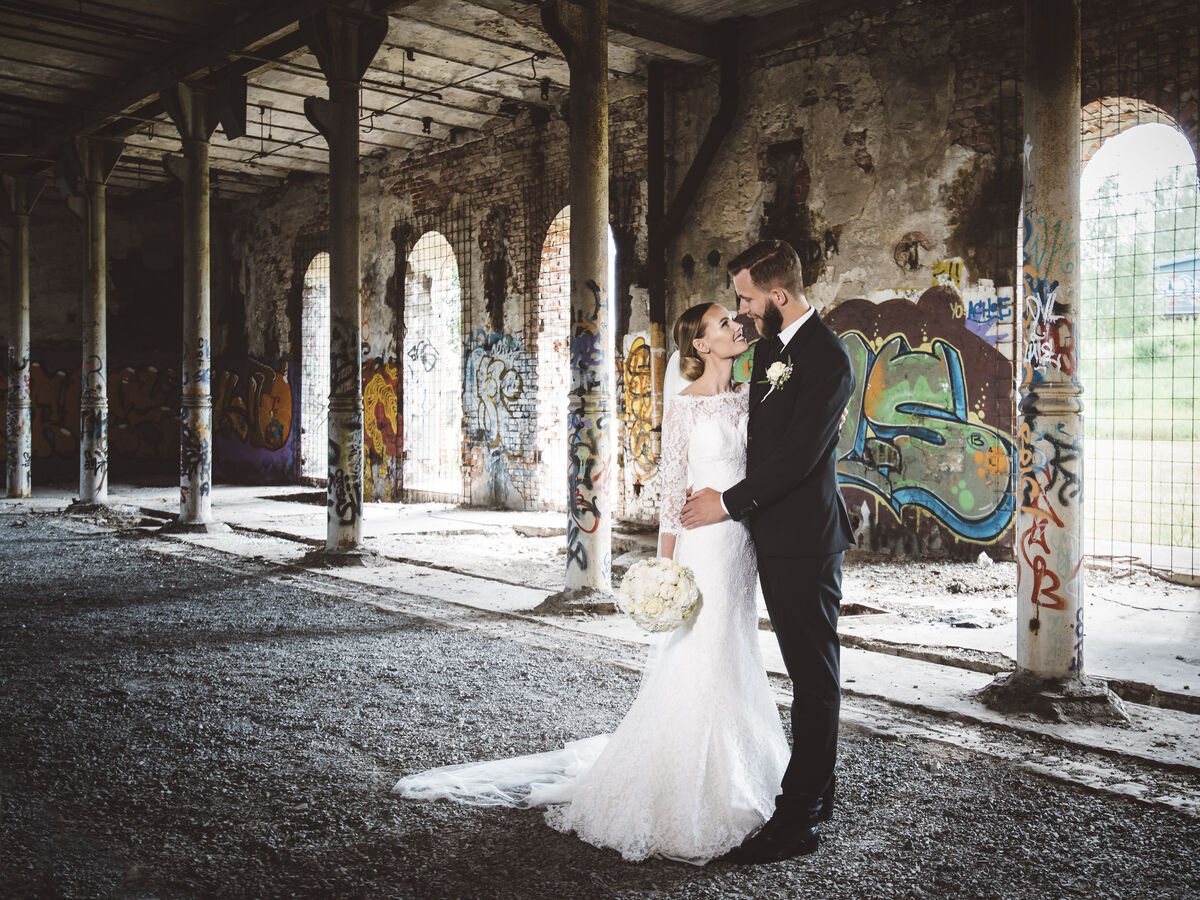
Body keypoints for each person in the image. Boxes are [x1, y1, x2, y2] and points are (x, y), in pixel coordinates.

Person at [393, 301, 790, 864]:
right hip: (704, 544)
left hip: (741, 543)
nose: (736, 326)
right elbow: (672, 492)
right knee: (702, 651)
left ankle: (746, 772)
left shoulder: (754, 395)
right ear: (701, 345)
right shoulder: (684, 406)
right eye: (723, 322)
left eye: (734, 318)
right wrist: (664, 570)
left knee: (736, 646)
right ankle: (691, 788)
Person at [681, 239, 855, 865]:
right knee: (804, 673)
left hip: (805, 542)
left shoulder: (827, 358)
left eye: (748, 298)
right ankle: (818, 794)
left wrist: (726, 504)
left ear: (779, 295)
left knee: (813, 679)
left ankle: (798, 820)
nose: (742, 310)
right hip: (767, 541)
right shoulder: (772, 350)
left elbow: (797, 457)